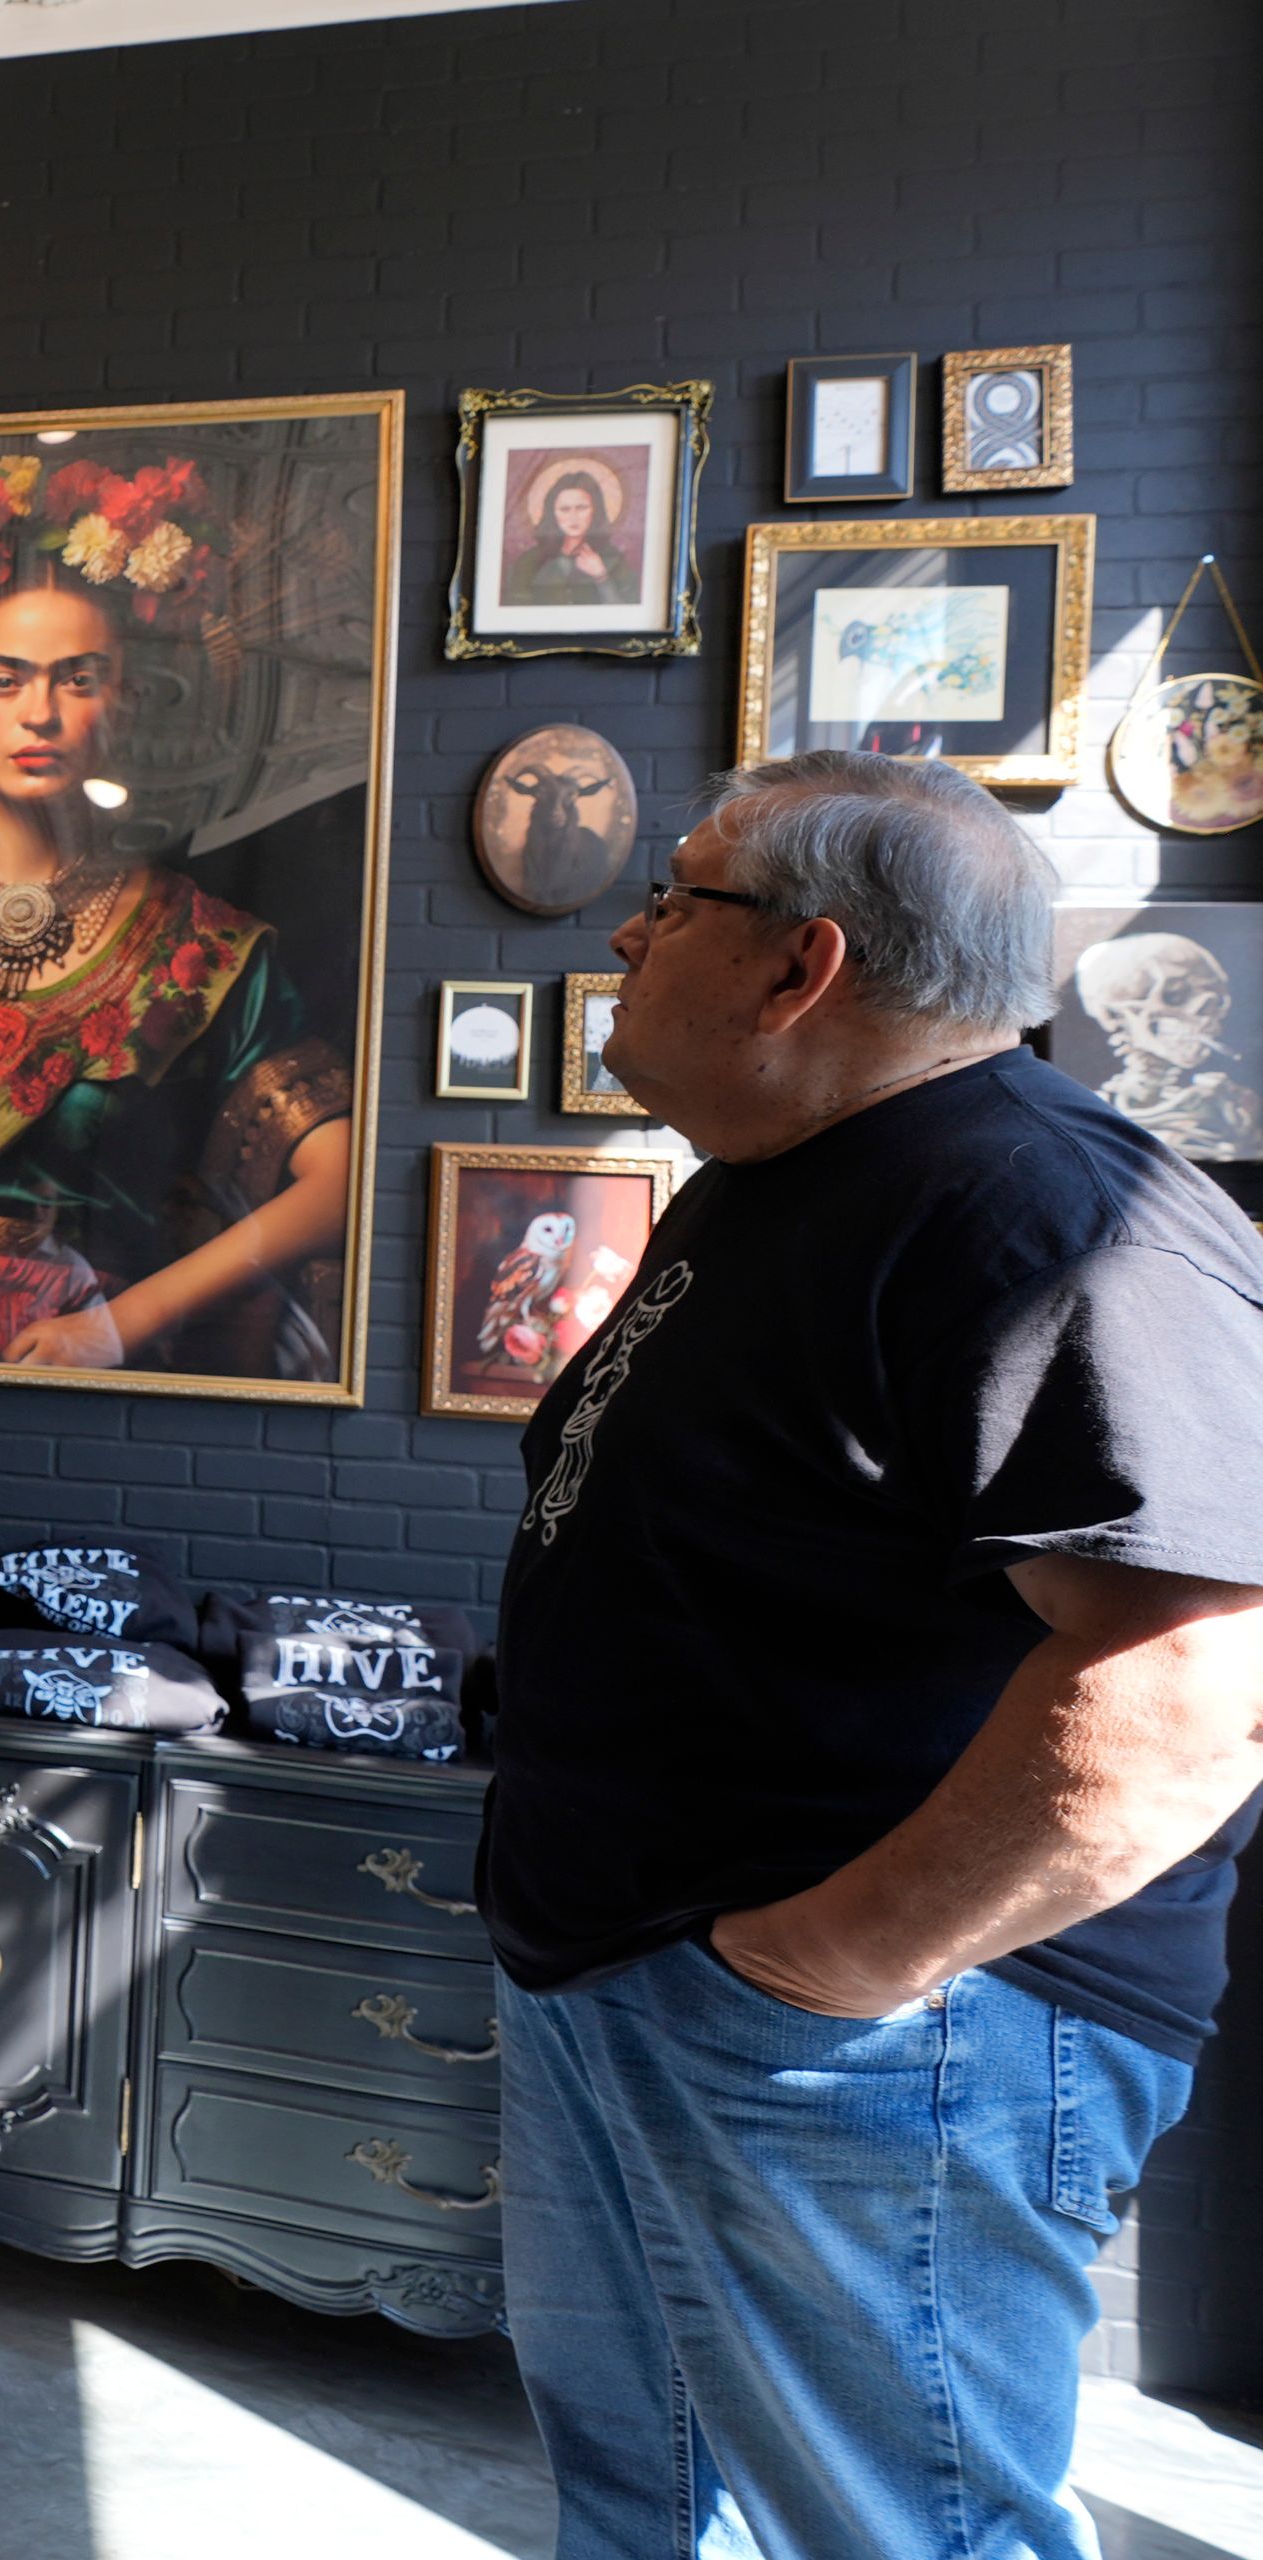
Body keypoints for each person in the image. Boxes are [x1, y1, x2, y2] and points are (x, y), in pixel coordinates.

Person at [481, 751, 1263, 2560]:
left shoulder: (1043, 1212)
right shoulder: (781, 1178)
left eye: (678, 894)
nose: (631, 924)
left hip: (871, 2039)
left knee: (900, 2533)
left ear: (797, 967)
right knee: (653, 2508)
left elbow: (1185, 1691)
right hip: (644, 1983)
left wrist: (819, 1973)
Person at [0, 452, 354, 1378]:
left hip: (102, 1369)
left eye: (75, 680)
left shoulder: (204, 947)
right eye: (4, 681)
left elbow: (337, 1183)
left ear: (119, 703)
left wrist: (121, 1324)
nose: (38, 712)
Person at [515, 466, 629, 608]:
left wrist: (601, 576)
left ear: (595, 510)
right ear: (553, 513)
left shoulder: (612, 557)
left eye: (581, 508)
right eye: (565, 509)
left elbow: (626, 614)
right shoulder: (529, 561)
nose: (573, 517)